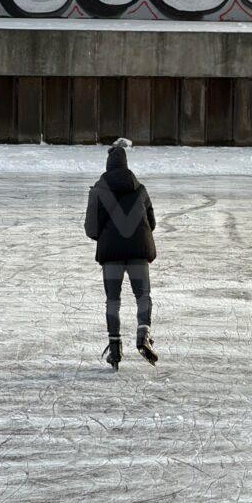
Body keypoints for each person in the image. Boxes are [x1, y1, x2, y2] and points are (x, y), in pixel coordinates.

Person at [84, 145, 159, 371]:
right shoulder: (140, 189)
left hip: (112, 256)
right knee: (142, 295)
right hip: (138, 251)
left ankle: (115, 348)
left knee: (113, 301)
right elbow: (152, 223)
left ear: (108, 166)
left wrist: (108, 237)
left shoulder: (98, 191)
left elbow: (91, 229)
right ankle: (143, 333)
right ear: (126, 165)